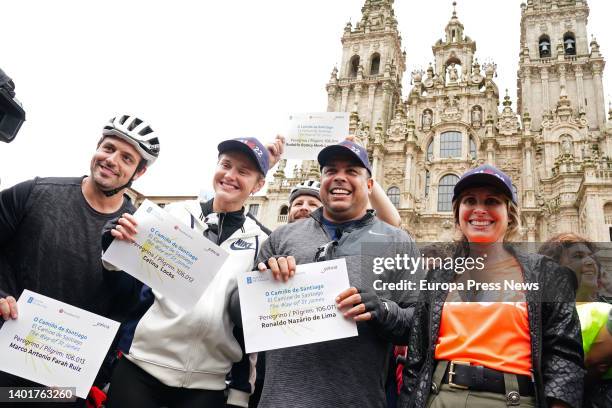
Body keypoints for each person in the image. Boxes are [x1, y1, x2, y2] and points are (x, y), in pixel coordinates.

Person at [102, 136, 283, 408]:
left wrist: (241, 390)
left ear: (258, 185)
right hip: (141, 366)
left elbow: (251, 326)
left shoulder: (261, 242)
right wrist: (113, 241)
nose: (231, 175)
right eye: (226, 165)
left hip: (207, 383)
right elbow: (116, 268)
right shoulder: (174, 213)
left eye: (243, 171)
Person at [0, 114, 160, 404]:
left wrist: (101, 371)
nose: (112, 160)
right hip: (6, 353)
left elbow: (131, 308)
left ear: (139, 173)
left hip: (65, 377)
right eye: (108, 148)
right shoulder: (35, 192)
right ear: (97, 147)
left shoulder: (141, 232)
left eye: (126, 158)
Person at [395, 165, 584, 408]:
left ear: (510, 214)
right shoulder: (438, 277)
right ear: (458, 214)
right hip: (439, 397)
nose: (480, 210)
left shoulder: (546, 274)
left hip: (513, 399)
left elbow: (565, 359)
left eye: (492, 201)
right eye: (469, 200)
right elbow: (417, 357)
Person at [254, 140, 420, 408]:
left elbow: (420, 325)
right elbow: (240, 315)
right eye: (331, 170)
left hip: (358, 400)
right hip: (281, 400)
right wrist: (262, 283)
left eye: (352, 171)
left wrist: (383, 310)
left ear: (369, 184)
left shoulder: (397, 243)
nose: (339, 177)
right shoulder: (282, 238)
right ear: (322, 180)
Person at [538, 233, 612, 408]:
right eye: (578, 256)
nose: (590, 262)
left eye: (590, 256)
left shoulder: (606, 307)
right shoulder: (542, 318)